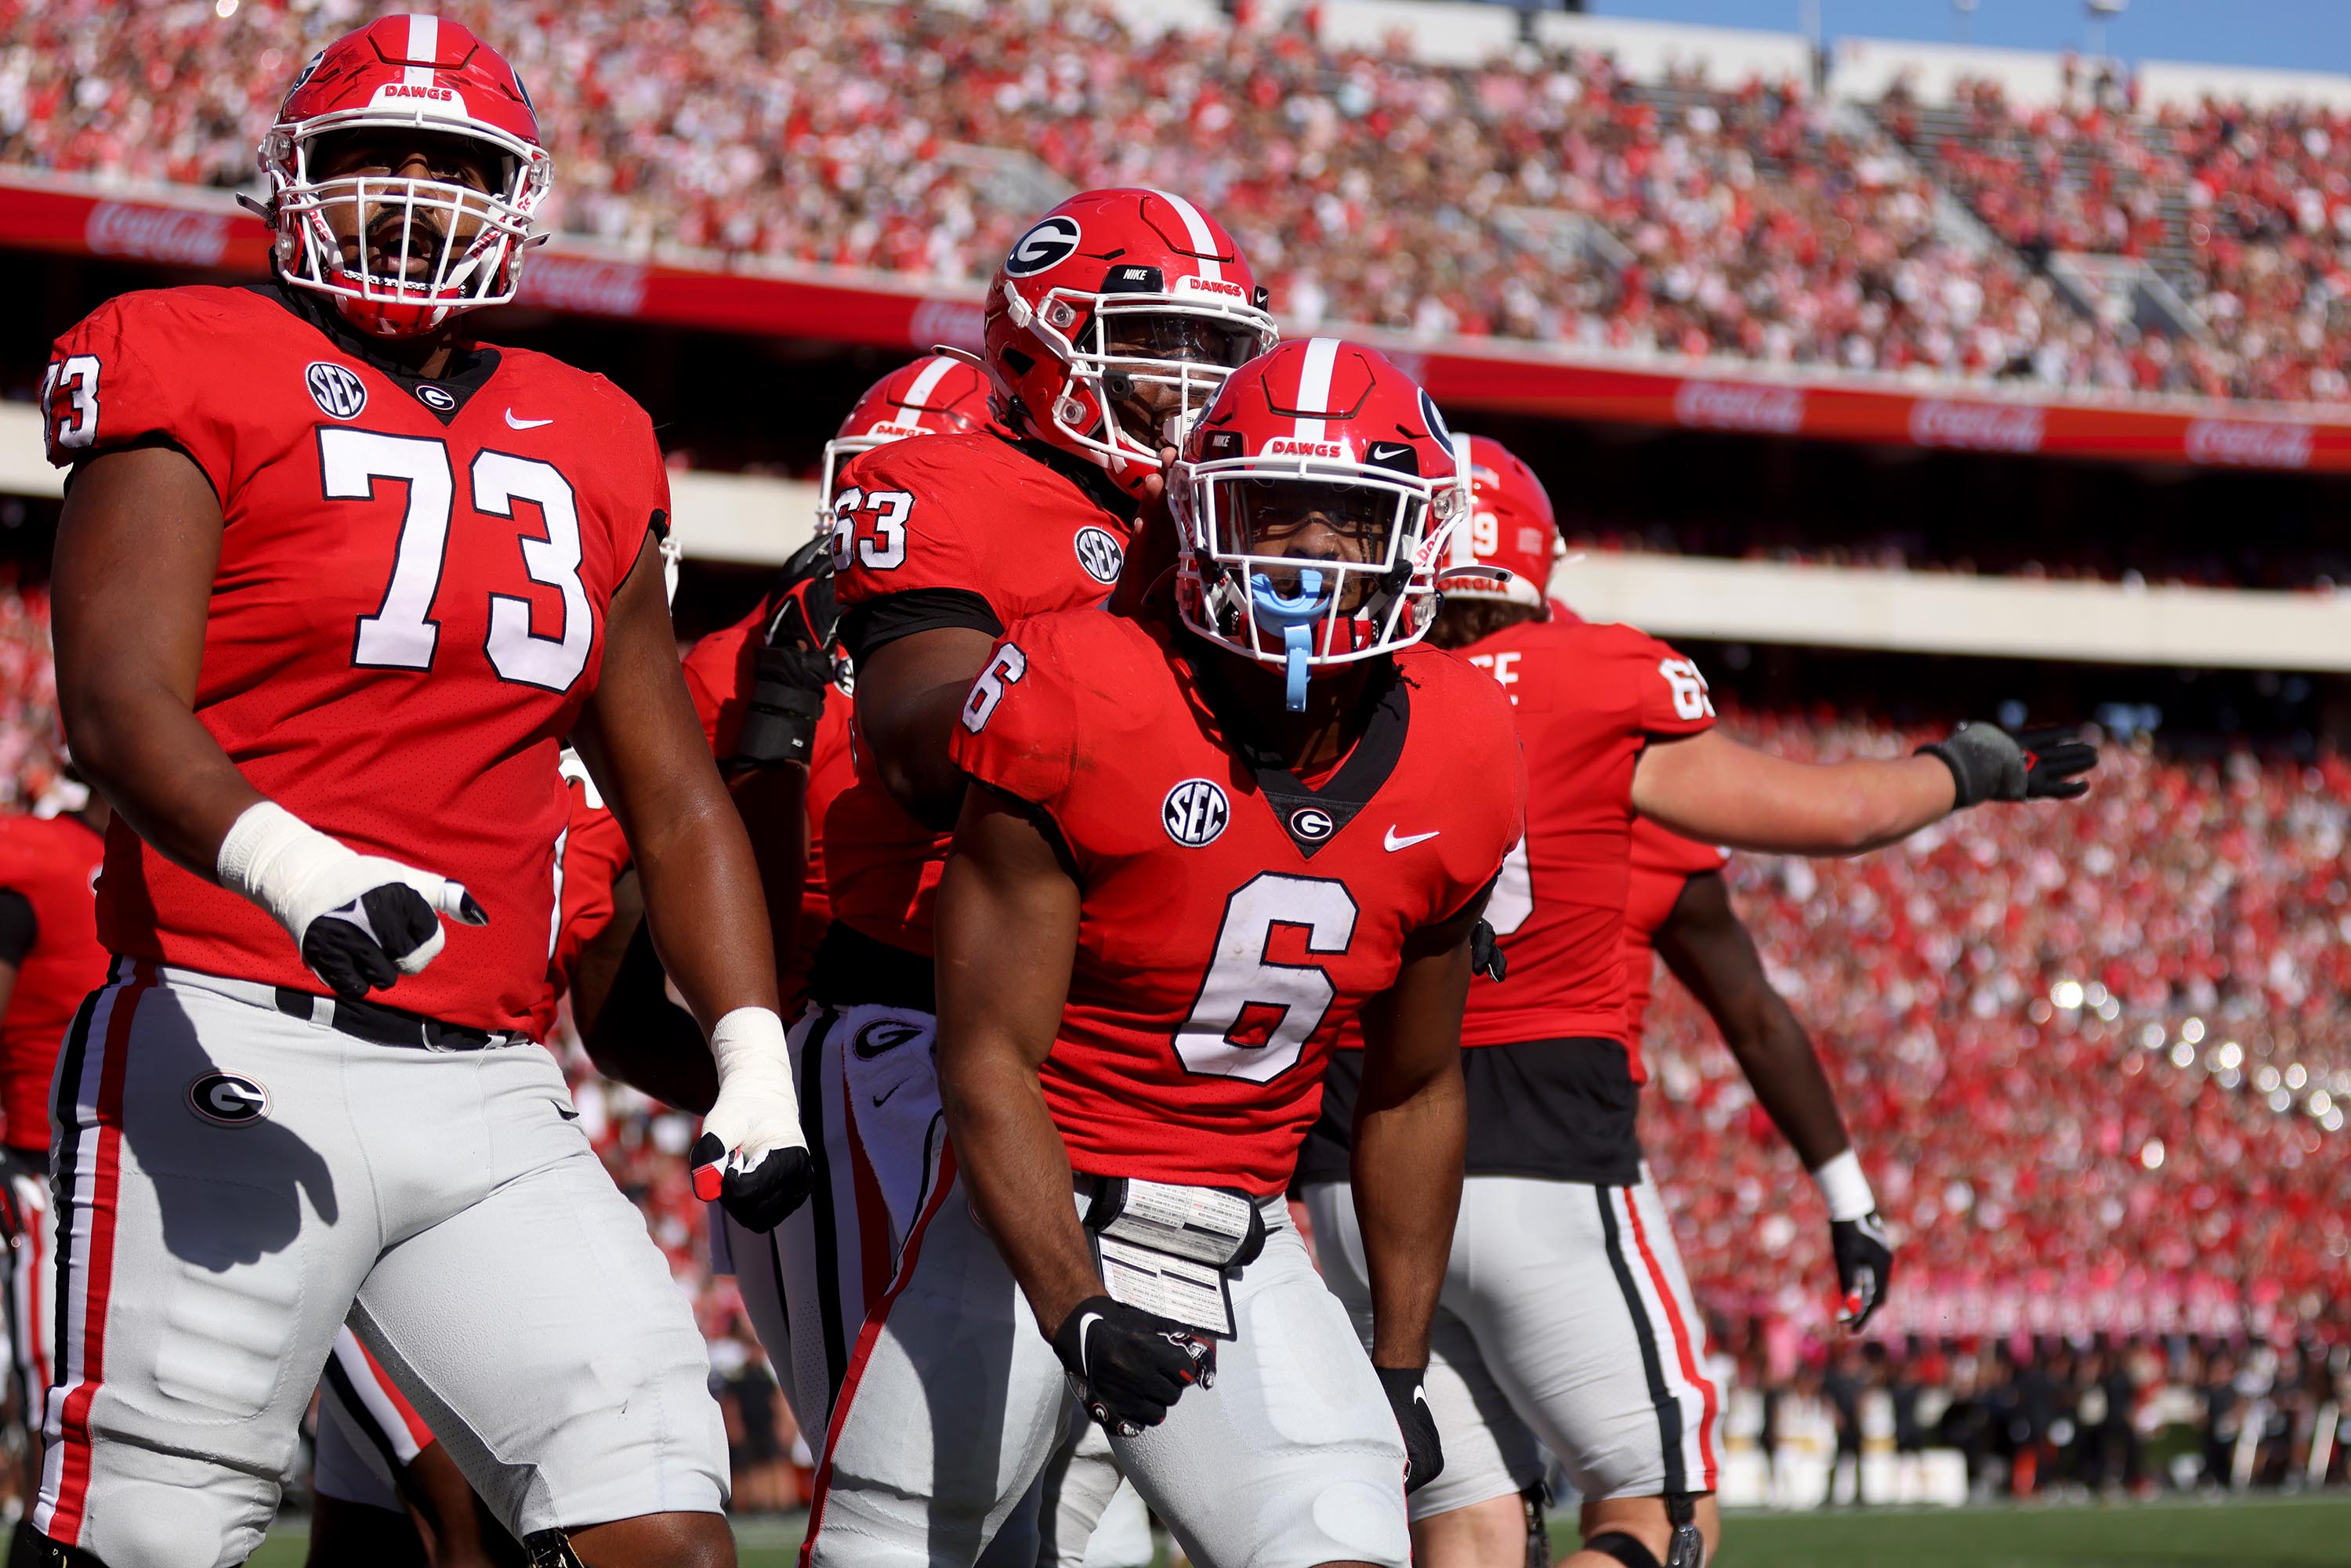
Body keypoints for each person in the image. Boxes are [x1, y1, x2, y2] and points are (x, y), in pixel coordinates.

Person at [33, 16, 808, 1564]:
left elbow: (668, 784)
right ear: (289, 177)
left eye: (448, 160)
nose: (408, 189)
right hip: (227, 1029)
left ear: (515, 198)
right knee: (152, 1536)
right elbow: (117, 706)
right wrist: (301, 873)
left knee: (658, 1513)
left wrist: (751, 1045)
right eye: (371, 152)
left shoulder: (592, 428)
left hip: (489, 1083)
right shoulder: (187, 352)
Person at [1299, 436, 2095, 1568]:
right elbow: (1831, 816)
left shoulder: (1334, 689)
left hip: (1350, 1142)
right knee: (1657, 1514)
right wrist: (1965, 768)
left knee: (1469, 1530)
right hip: (1543, 1134)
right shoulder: (1601, 679)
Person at [801, 338, 1528, 1568]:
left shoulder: (1464, 737)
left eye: (1347, 522)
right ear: (1194, 517)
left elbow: (1412, 1085)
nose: (1302, 558)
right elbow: (988, 1059)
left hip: (1240, 1237)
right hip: (1023, 1211)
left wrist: (1398, 1361)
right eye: (1268, 513)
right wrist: (1076, 1305)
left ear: (1417, 542)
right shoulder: (1084, 684)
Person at [781, 188, 1277, 1448]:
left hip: (1111, 1052)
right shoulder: (944, 479)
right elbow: (915, 745)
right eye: (1164, 344)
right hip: (916, 1020)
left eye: (1221, 353)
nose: (1197, 384)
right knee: (918, 1480)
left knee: (1098, 1504)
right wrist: (1112, 704)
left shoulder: (1203, 525)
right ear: (1038, 344)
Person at [0, 773, 109, 1544]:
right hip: (45, 1175)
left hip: (162, 1176)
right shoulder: (40, 855)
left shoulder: (199, 859)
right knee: (60, 1437)